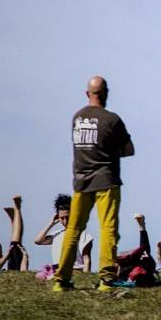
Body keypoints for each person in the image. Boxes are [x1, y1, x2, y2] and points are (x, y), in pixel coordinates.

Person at [52, 76, 134, 292]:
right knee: (108, 228)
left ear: (87, 93)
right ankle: (106, 279)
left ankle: (61, 279)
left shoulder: (77, 118)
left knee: (73, 229)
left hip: (81, 181)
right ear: (106, 93)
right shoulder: (112, 119)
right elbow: (128, 150)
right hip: (106, 179)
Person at [34, 194, 93, 279]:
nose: (65, 221)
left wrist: (86, 277)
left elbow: (86, 259)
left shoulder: (83, 235)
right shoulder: (57, 234)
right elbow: (38, 241)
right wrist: (51, 223)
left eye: (68, 217)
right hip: (57, 270)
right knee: (39, 276)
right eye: (62, 218)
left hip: (74, 271)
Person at [0, 195, 28, 271]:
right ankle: (18, 208)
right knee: (15, 245)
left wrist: (2, 256)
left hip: (10, 267)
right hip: (17, 267)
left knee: (14, 246)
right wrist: (25, 255)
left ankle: (14, 218)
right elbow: (23, 271)